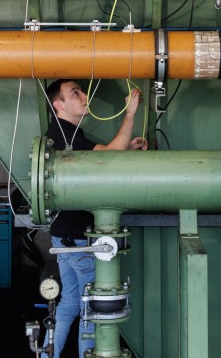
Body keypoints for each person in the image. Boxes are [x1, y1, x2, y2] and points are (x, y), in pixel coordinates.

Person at [41, 79, 146, 358]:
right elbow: (109, 157)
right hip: (79, 241)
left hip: (63, 236)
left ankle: (46, 355)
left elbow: (101, 158)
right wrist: (131, 113)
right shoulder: (67, 135)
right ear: (59, 105)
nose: (84, 96)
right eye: (75, 93)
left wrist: (127, 149)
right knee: (92, 305)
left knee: (69, 302)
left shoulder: (65, 135)